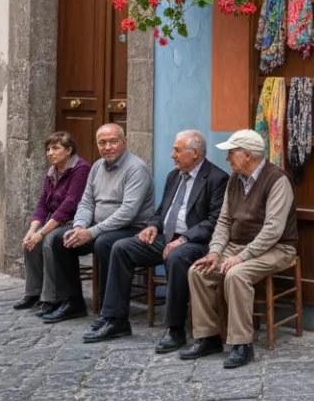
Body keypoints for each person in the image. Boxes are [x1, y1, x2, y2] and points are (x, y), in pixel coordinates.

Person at [82, 129, 228, 350]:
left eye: (177, 150)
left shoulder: (217, 178)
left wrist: (184, 238)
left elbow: (213, 221)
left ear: (195, 153)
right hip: (165, 237)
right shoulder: (174, 176)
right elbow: (161, 211)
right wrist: (152, 226)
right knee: (121, 247)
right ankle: (116, 319)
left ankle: (175, 329)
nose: (172, 155)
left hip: (196, 243)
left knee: (177, 257)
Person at [180, 129, 298, 369]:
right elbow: (224, 221)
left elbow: (273, 230)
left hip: (277, 247)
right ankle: (209, 337)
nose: (227, 159)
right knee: (198, 271)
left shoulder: (277, 180)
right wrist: (214, 252)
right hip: (239, 245)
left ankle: (242, 345)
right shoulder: (235, 179)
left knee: (236, 274)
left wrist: (242, 257)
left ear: (248, 155)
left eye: (231, 153)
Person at [41, 123, 155, 324]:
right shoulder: (96, 167)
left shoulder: (136, 169)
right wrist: (79, 227)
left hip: (131, 229)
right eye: (102, 143)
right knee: (59, 238)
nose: (107, 147)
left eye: (113, 141)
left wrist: (91, 232)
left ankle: (107, 309)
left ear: (125, 142)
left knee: (105, 243)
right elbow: (86, 202)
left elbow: (127, 213)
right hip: (97, 227)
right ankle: (72, 302)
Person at [15, 132, 90, 316]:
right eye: (48, 149)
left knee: (49, 241)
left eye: (55, 148)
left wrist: (41, 233)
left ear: (69, 150)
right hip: (57, 222)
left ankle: (52, 298)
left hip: (77, 222)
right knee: (30, 243)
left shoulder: (81, 169)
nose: (50, 153)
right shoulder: (52, 172)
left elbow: (69, 205)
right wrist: (32, 231)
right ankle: (34, 293)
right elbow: (42, 204)